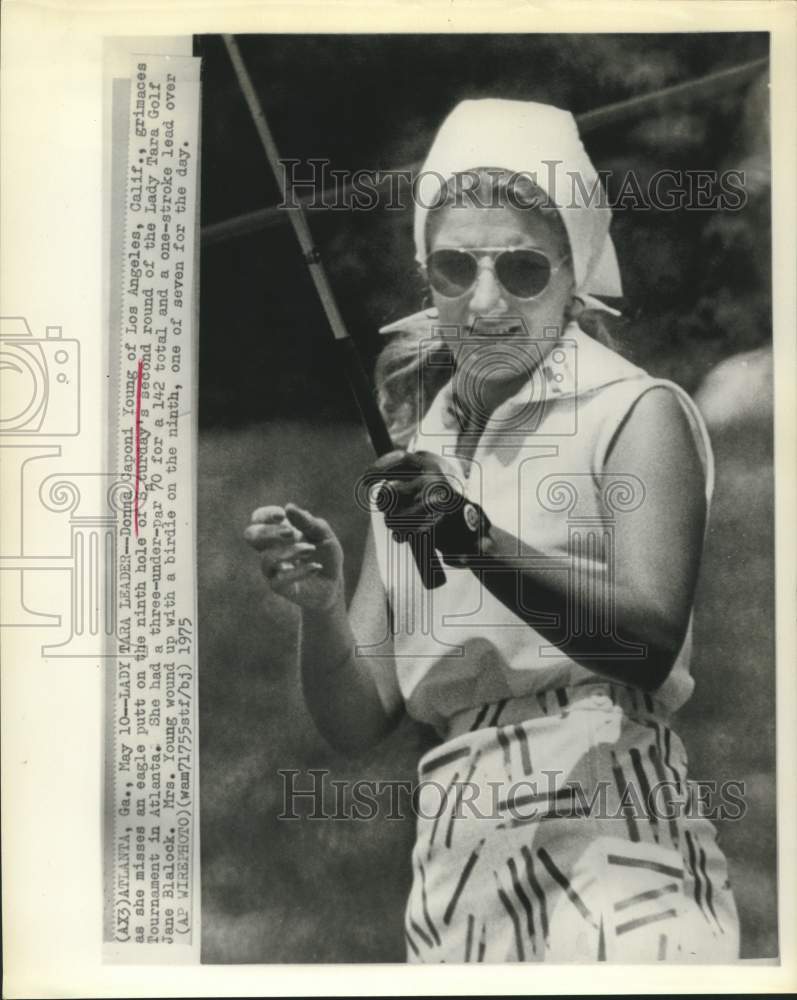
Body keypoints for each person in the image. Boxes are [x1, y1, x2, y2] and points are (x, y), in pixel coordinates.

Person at [244, 99, 739, 963]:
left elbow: (646, 641)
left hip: (614, 843)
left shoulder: (635, 410)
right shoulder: (416, 457)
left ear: (572, 270)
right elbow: (358, 721)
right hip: (453, 870)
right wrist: (320, 611)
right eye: (451, 269)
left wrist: (472, 538)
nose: (483, 302)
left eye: (520, 270)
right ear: (424, 274)